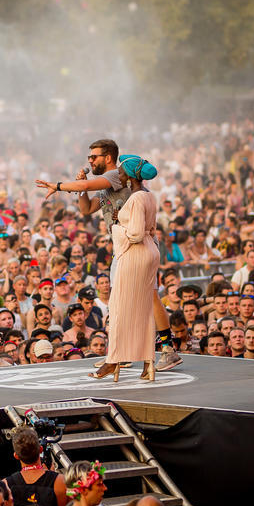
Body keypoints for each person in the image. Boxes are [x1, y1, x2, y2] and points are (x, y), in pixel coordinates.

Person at [35, 139, 180, 371]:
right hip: (126, 248)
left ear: (109, 158)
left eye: (94, 157)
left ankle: (166, 349)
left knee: (144, 297)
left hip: (136, 245)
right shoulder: (107, 186)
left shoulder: (115, 176)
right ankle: (125, 352)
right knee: (126, 300)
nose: (90, 160)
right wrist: (81, 186)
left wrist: (59, 186)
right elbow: (86, 209)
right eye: (89, 157)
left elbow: (84, 189)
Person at [86, 156, 160, 382]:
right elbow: (149, 229)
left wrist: (117, 225)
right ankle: (148, 364)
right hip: (149, 253)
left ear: (130, 175)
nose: (118, 174)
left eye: (121, 171)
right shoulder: (149, 195)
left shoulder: (136, 198)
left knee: (118, 309)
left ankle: (113, 361)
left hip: (134, 255)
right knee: (144, 310)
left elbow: (135, 234)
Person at [3, 427, 66, 506]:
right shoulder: (60, 481)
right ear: (41, 450)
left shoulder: (5, 484)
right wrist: (52, 476)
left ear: (16, 456)